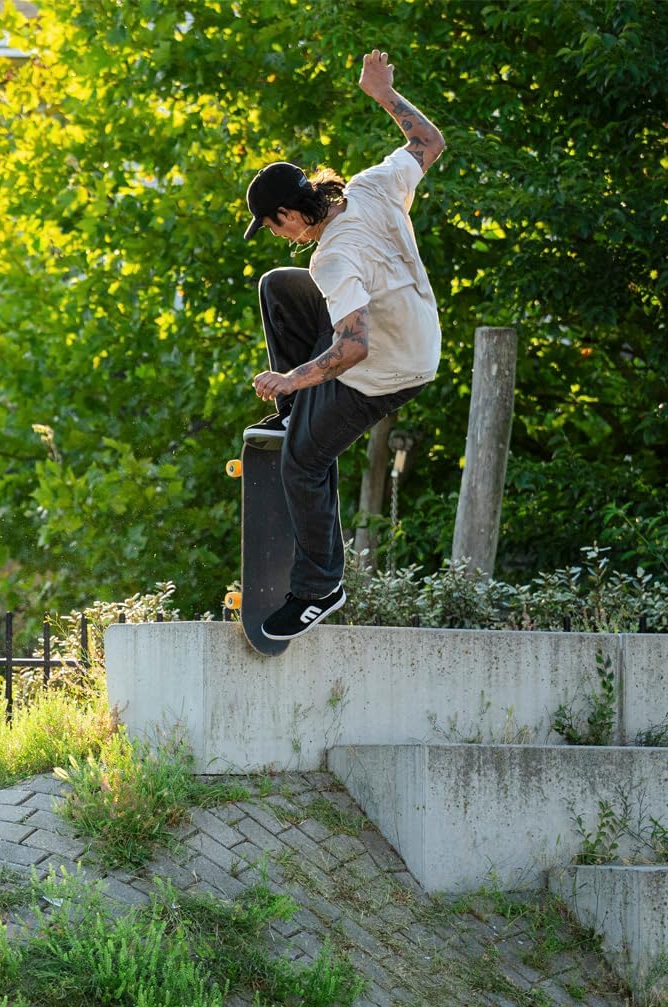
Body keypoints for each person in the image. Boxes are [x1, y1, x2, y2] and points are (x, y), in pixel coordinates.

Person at [242, 49, 445, 639]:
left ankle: (319, 588)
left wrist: (290, 377)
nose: (277, 236)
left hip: (389, 369)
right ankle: (294, 414)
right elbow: (429, 142)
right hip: (414, 331)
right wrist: (383, 94)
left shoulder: (332, 257)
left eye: (272, 226)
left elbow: (353, 347)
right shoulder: (372, 185)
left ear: (288, 213)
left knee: (303, 460)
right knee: (280, 286)